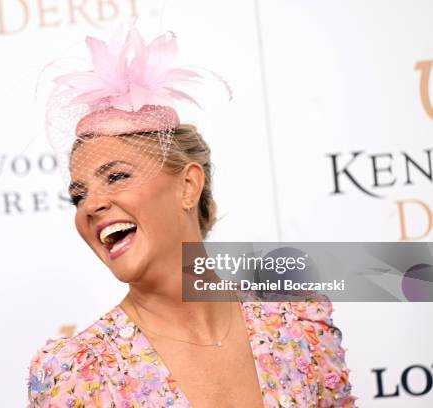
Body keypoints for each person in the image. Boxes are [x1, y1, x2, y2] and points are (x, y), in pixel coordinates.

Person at [27, 24, 357, 408]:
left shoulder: (295, 321)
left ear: (188, 186)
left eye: (116, 176)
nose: (90, 205)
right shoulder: (76, 375)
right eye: (78, 196)